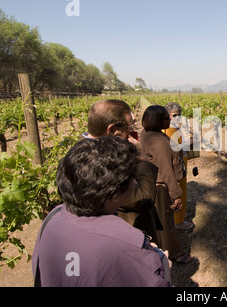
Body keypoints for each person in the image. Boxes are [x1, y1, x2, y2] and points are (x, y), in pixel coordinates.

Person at [32, 136, 171, 287]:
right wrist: (164, 265)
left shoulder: (53, 217)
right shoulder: (124, 243)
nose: (135, 183)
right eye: (132, 179)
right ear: (114, 195)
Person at [80, 99, 162, 244]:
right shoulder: (98, 161)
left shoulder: (81, 151)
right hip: (127, 236)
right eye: (128, 126)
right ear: (112, 130)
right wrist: (141, 157)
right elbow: (144, 198)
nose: (131, 131)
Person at [140, 105, 193, 264]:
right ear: (156, 120)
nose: (169, 120)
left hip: (150, 183)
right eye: (165, 118)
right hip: (161, 186)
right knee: (166, 223)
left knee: (157, 222)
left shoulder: (146, 134)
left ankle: (160, 250)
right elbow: (166, 171)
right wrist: (176, 194)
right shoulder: (160, 142)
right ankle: (175, 254)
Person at [163, 102, 194, 230]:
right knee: (179, 193)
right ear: (167, 116)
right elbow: (172, 149)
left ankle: (176, 220)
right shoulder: (167, 130)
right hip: (177, 167)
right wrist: (188, 143)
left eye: (179, 114)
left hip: (181, 164)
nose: (177, 117)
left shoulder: (175, 127)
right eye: (174, 115)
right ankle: (179, 222)